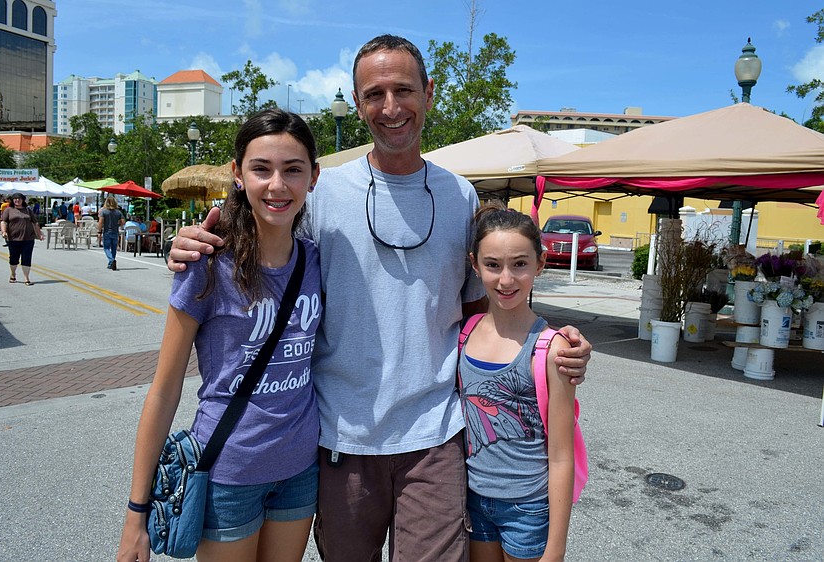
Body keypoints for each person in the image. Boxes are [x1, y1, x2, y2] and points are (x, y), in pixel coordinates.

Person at [168, 35, 592, 561]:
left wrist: (551, 341)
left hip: (436, 436)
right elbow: (265, 242)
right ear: (356, 100)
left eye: (403, 90)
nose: (390, 108)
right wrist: (194, 242)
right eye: (374, 94)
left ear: (429, 93)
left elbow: (485, 302)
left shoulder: (459, 195)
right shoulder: (322, 194)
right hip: (341, 437)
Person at [117, 109, 323, 562]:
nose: (277, 185)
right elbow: (164, 388)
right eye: (261, 169)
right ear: (237, 174)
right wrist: (136, 511)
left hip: (299, 468)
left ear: (313, 176)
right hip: (228, 471)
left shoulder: (317, 261)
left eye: (293, 170)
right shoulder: (207, 264)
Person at [459, 203, 576, 562]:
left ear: (540, 265)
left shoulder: (551, 348)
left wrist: (555, 549)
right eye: (493, 265)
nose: (505, 279)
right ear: (474, 264)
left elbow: (560, 456)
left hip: (528, 508)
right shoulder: (464, 333)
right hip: (474, 500)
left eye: (519, 264)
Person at [0, 192, 44, 286]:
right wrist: (4, 232)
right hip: (13, 239)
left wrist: (39, 234)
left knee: (27, 258)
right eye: (15, 198)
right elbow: (3, 222)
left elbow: (35, 223)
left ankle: (26, 278)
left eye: (19, 198)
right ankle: (13, 274)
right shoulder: (8, 210)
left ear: (23, 200)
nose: (17, 200)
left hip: (28, 238)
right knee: (14, 258)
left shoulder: (28, 210)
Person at [98, 196, 125, 270]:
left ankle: (111, 260)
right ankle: (111, 264)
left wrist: (99, 231)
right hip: (115, 232)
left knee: (106, 248)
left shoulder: (104, 212)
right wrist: (118, 225)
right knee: (114, 248)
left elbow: (100, 222)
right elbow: (123, 222)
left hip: (107, 232)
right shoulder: (118, 212)